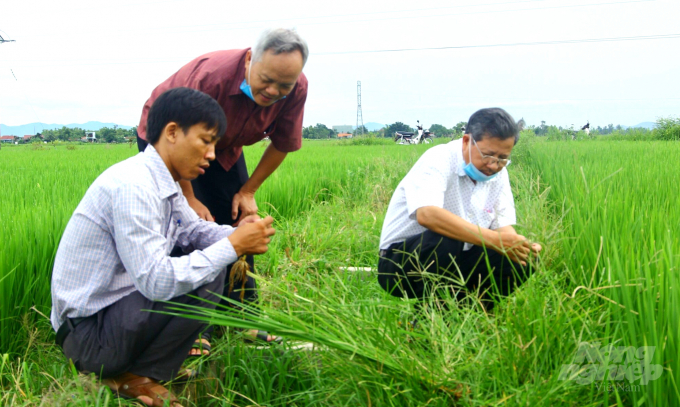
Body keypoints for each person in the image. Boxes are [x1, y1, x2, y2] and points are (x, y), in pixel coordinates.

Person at [51, 87, 276, 407]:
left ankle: (139, 371)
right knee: (208, 269)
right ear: (172, 132)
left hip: (110, 317)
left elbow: (193, 230)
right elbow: (154, 280)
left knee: (208, 263)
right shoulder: (134, 186)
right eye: (205, 140)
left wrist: (236, 233)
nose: (212, 154)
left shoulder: (162, 182)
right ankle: (128, 373)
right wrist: (231, 246)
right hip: (90, 336)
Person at [136, 28, 308, 346]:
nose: (273, 91)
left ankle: (241, 318)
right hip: (169, 140)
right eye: (266, 79)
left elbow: (283, 143)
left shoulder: (296, 89)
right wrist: (188, 197)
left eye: (284, 86)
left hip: (225, 148)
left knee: (236, 220)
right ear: (248, 60)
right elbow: (179, 141)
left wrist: (248, 191)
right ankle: (189, 332)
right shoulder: (211, 77)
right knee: (185, 227)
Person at [378, 107, 542, 312]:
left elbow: (503, 228)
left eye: (502, 158)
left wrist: (519, 246)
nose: (493, 165)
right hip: (401, 263)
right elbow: (427, 214)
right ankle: (429, 319)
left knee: (523, 259)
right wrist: (493, 240)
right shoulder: (439, 158)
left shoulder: (499, 174)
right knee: (448, 238)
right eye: (488, 155)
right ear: (467, 141)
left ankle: (467, 314)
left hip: (458, 259)